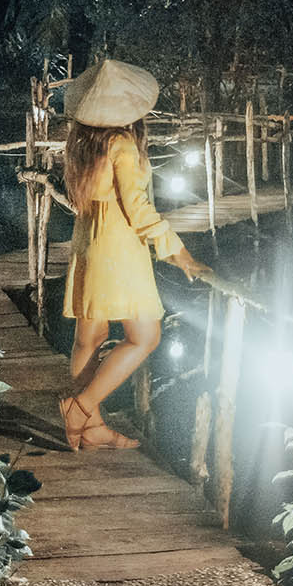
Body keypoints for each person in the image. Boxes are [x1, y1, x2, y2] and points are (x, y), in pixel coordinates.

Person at [57, 59, 210, 451]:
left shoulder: (83, 143)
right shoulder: (121, 144)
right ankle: (82, 406)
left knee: (89, 339)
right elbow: (138, 208)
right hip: (118, 249)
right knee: (145, 336)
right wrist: (179, 252)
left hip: (89, 241)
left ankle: (90, 426)